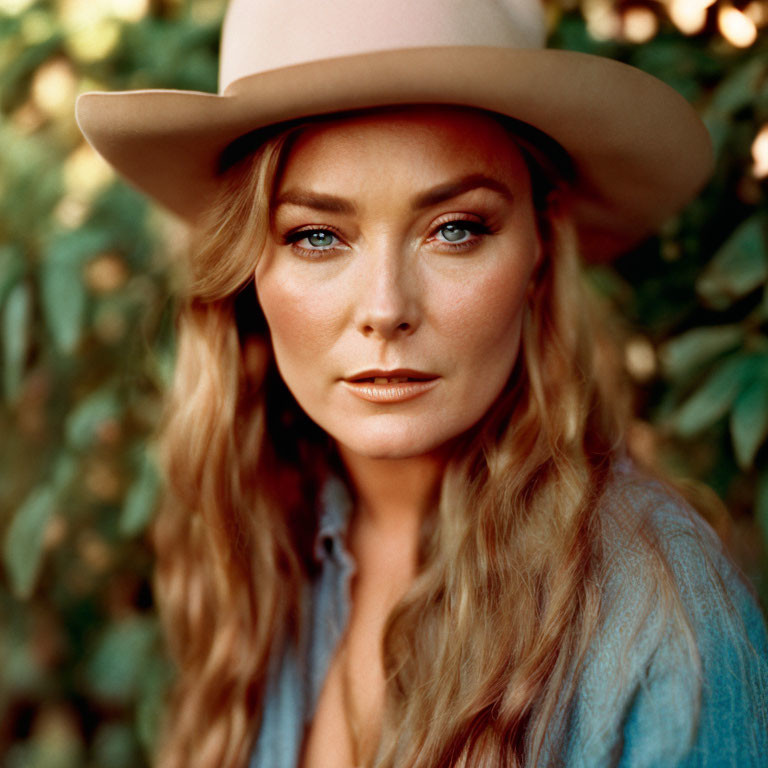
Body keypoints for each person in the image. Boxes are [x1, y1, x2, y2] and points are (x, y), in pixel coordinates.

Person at [75, 0, 768, 766]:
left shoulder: (653, 614)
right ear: (248, 269)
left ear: (540, 247)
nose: (385, 310)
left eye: (455, 228)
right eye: (316, 235)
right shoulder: (265, 551)